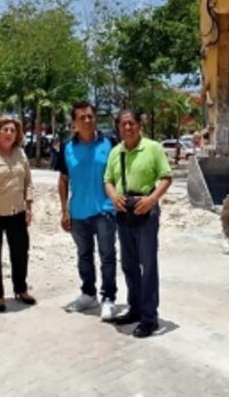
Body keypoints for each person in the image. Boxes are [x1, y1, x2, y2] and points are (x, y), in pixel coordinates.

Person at [103, 109, 172, 338]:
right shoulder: (115, 152)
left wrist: (152, 199)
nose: (128, 128)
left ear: (139, 125)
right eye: (123, 124)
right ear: (118, 128)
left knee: (148, 266)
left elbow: (165, 177)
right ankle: (135, 308)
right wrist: (113, 197)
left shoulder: (153, 148)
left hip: (146, 209)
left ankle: (150, 317)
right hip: (124, 212)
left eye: (131, 123)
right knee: (129, 265)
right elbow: (108, 180)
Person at [57, 101, 117, 321]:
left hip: (105, 211)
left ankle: (108, 298)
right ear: (74, 123)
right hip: (78, 213)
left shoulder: (109, 144)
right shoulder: (67, 149)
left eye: (90, 116)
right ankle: (88, 294)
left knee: (107, 256)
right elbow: (63, 180)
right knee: (84, 255)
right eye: (81, 117)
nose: (87, 120)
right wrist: (64, 211)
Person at [0, 115, 36, 312]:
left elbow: (28, 181)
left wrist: (29, 207)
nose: (9, 133)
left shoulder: (21, 155)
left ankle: (21, 289)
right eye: (6, 130)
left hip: (17, 213)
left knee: (20, 253)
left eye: (13, 130)